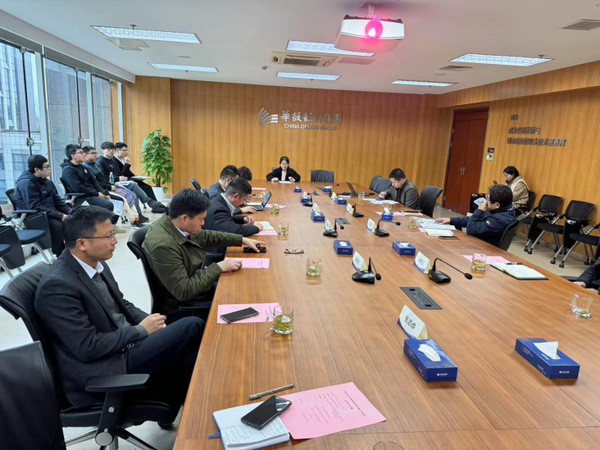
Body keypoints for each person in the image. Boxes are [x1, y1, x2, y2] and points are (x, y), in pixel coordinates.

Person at [34, 206, 204, 409]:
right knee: (193, 325)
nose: (115, 241)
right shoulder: (57, 286)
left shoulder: (96, 263)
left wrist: (153, 322)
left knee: (188, 352)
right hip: (105, 366)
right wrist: (141, 330)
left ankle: (185, 404)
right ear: (82, 244)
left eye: (113, 234)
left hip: (123, 344)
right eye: (108, 236)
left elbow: (122, 304)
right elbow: (87, 347)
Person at [143, 189, 264, 322]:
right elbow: (184, 291)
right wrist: (218, 267)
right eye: (201, 219)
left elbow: (206, 236)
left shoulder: (174, 223)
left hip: (197, 282)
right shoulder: (163, 245)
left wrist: (241, 240)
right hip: (184, 306)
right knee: (246, 294)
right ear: (185, 218)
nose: (203, 223)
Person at [14, 155, 72, 256]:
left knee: (74, 217)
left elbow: (57, 200)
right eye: (47, 167)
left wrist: (70, 211)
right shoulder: (27, 183)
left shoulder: (46, 181)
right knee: (58, 225)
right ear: (37, 169)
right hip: (34, 216)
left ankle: (68, 250)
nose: (50, 169)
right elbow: (35, 206)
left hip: (47, 212)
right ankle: (59, 255)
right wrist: (60, 216)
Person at [82, 145, 146, 227]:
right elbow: (97, 183)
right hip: (102, 190)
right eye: (92, 153)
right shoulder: (88, 167)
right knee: (122, 199)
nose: (95, 155)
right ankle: (133, 221)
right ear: (86, 155)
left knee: (129, 195)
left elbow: (105, 179)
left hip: (108, 186)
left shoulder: (95, 165)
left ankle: (137, 218)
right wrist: (110, 187)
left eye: (95, 153)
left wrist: (113, 185)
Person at [203, 178, 263, 264]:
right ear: (236, 196)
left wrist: (243, 219)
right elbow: (235, 231)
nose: (243, 203)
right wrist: (256, 228)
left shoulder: (220, 200)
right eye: (244, 200)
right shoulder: (219, 209)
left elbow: (226, 218)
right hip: (215, 250)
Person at [436, 184, 517, 247]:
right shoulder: (500, 211)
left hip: (484, 249)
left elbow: (471, 230)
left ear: (497, 205)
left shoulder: (500, 220)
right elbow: (475, 220)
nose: (486, 202)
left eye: (488, 199)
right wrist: (451, 220)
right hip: (480, 243)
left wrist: (479, 210)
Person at [99, 141, 167, 214]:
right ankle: (147, 206)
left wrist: (134, 176)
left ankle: (153, 204)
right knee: (133, 186)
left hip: (120, 181)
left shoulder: (113, 161)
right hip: (112, 184)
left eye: (112, 149)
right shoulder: (101, 162)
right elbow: (105, 177)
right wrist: (123, 170)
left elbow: (121, 174)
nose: (111, 151)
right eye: (108, 149)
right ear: (103, 150)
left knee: (145, 186)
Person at [60, 144, 116, 214]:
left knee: (116, 200)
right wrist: (97, 194)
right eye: (80, 152)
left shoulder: (83, 167)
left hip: (91, 195)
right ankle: (102, 221)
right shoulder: (68, 170)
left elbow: (94, 181)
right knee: (108, 205)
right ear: (73, 156)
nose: (84, 154)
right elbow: (78, 187)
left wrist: (104, 193)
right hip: (81, 198)